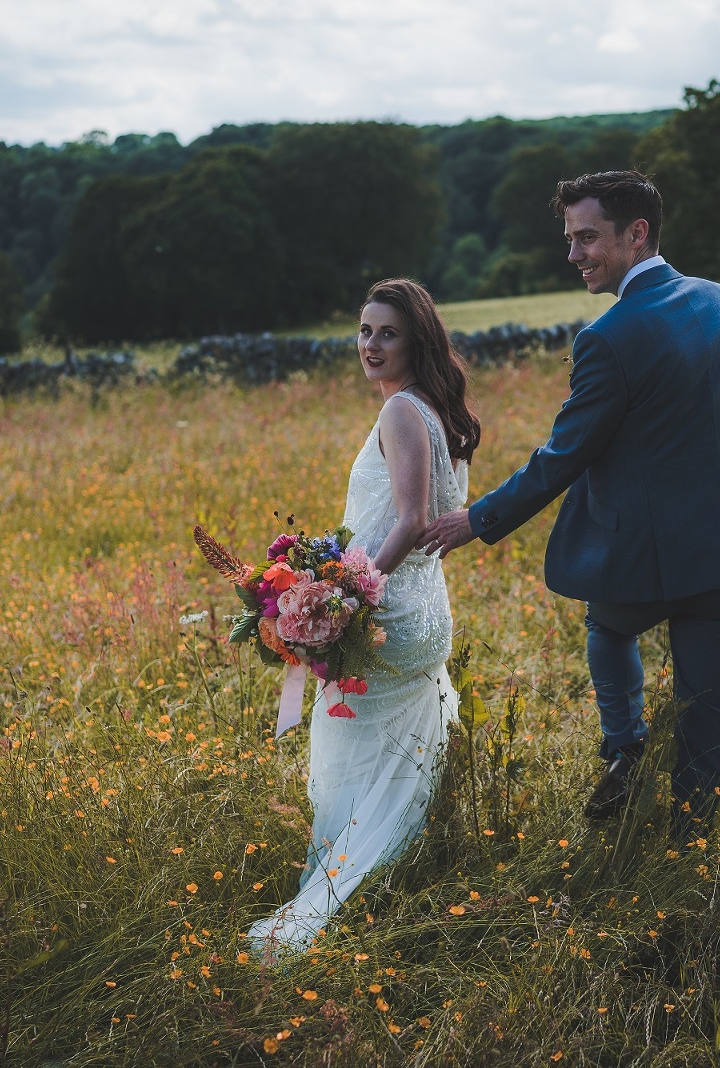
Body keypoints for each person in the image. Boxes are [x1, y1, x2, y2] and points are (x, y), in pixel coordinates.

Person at [420, 171, 720, 841]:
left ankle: (625, 748)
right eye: (570, 238)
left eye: (587, 237)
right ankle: (690, 859)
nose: (574, 254)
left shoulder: (610, 338)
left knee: (610, 627)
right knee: (714, 718)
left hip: (648, 565)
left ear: (637, 233)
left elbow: (563, 456)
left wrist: (476, 519)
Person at [249, 278, 478, 951]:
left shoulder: (403, 412)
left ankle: (339, 895)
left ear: (418, 339)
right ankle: (402, 877)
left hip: (388, 616)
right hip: (426, 610)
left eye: (389, 333)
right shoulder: (436, 408)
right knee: (398, 760)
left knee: (347, 752)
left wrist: (347, 595)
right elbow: (430, 525)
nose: (371, 345)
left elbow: (410, 520)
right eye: (364, 331)